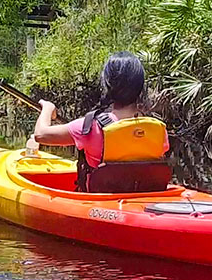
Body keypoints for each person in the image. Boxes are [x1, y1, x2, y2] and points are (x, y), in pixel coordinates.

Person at [29, 52, 172, 193]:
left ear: (107, 84)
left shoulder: (89, 127)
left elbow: (41, 135)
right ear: (140, 86)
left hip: (101, 201)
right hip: (144, 199)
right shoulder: (158, 130)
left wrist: (47, 108)